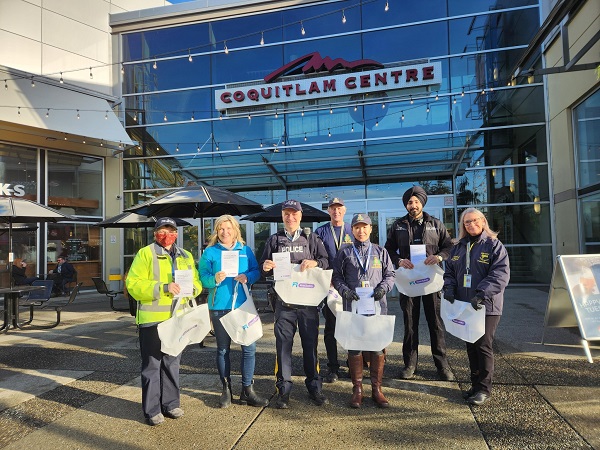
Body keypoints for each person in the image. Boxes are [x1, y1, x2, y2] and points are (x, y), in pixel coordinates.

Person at [126, 217, 203, 426]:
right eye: (162, 231)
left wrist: (193, 289)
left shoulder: (185, 255)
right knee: (152, 365)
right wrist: (163, 287)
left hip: (177, 320)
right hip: (153, 320)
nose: (166, 235)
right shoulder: (146, 254)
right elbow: (133, 284)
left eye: (170, 231)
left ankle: (170, 404)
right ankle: (152, 410)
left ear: (176, 234)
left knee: (172, 363)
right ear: (155, 233)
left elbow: (196, 281)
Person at [260, 199, 329, 409]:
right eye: (286, 214)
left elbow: (326, 262)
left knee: (311, 347)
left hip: (308, 303)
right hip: (283, 303)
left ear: (300, 216)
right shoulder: (274, 239)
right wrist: (266, 266)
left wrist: (315, 262)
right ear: (282, 217)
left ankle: (314, 386)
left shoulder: (312, 237)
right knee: (283, 348)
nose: (290, 217)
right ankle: (284, 389)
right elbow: (263, 268)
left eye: (294, 214)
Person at [384, 186, 455, 381]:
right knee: (410, 324)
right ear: (406, 205)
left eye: (416, 201)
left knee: (436, 323)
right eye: (409, 202)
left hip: (430, 281)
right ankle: (409, 364)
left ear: (422, 203)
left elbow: (448, 245)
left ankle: (442, 365)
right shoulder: (398, 225)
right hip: (408, 281)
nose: (413, 205)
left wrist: (439, 257)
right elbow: (388, 249)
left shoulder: (436, 223)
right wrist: (398, 260)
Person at [199, 215, 269, 409]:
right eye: (221, 229)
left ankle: (248, 389)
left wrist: (248, 276)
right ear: (216, 231)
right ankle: (226, 388)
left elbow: (256, 271)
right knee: (222, 349)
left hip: (242, 305)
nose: (225, 232)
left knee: (249, 348)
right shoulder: (210, 252)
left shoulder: (245, 250)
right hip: (219, 306)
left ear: (235, 230)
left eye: (228, 228)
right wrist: (214, 279)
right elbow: (201, 277)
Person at [443, 208, 510, 406]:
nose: (471, 225)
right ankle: (475, 385)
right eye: (466, 222)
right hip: (465, 305)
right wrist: (449, 288)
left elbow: (500, 275)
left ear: (483, 221)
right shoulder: (458, 247)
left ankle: (484, 389)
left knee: (483, 345)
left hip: (486, 306)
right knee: (471, 345)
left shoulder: (493, 245)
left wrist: (482, 293)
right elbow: (450, 272)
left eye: (474, 221)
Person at [332, 213, 395, 408]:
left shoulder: (380, 251)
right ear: (352, 230)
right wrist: (345, 291)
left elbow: (390, 274)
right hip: (354, 307)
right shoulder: (345, 252)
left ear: (370, 229)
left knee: (377, 347)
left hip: (376, 307)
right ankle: (357, 389)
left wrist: (383, 288)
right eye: (357, 227)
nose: (361, 230)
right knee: (355, 346)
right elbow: (337, 277)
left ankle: (377, 389)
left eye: (364, 227)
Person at [315, 197, 354, 383]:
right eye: (332, 208)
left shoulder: (352, 229)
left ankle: (353, 363)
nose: (336, 211)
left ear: (344, 210)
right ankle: (333, 367)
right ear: (329, 211)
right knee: (331, 328)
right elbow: (316, 257)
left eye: (339, 208)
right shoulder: (321, 231)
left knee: (351, 326)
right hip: (329, 286)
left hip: (350, 287)